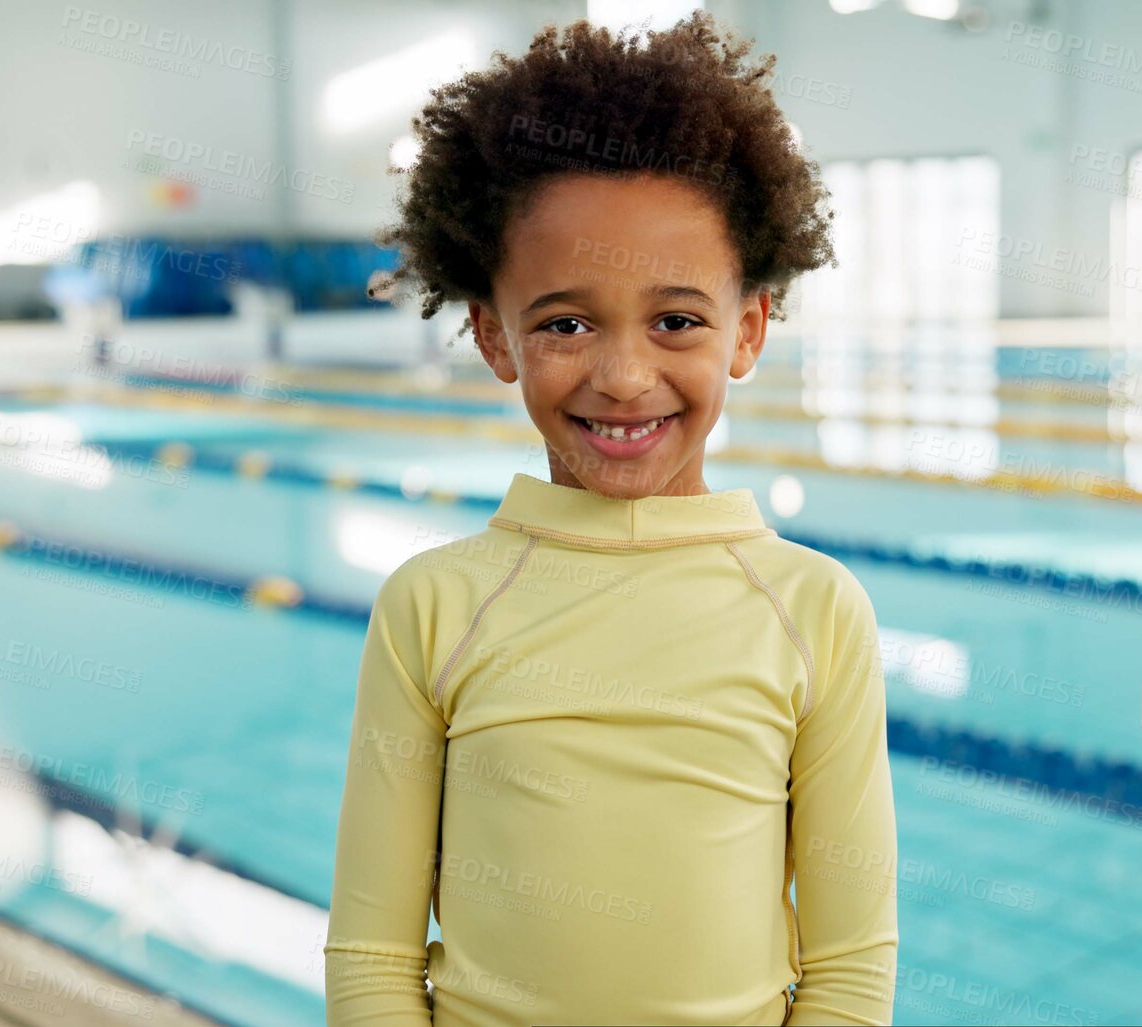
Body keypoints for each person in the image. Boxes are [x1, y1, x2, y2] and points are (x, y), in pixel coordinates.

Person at [325, 11, 897, 1025]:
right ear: (494, 336)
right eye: (566, 322)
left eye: (677, 320)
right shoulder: (434, 605)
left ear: (748, 330)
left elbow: (851, 966)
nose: (625, 377)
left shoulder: (814, 608)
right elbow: (373, 954)